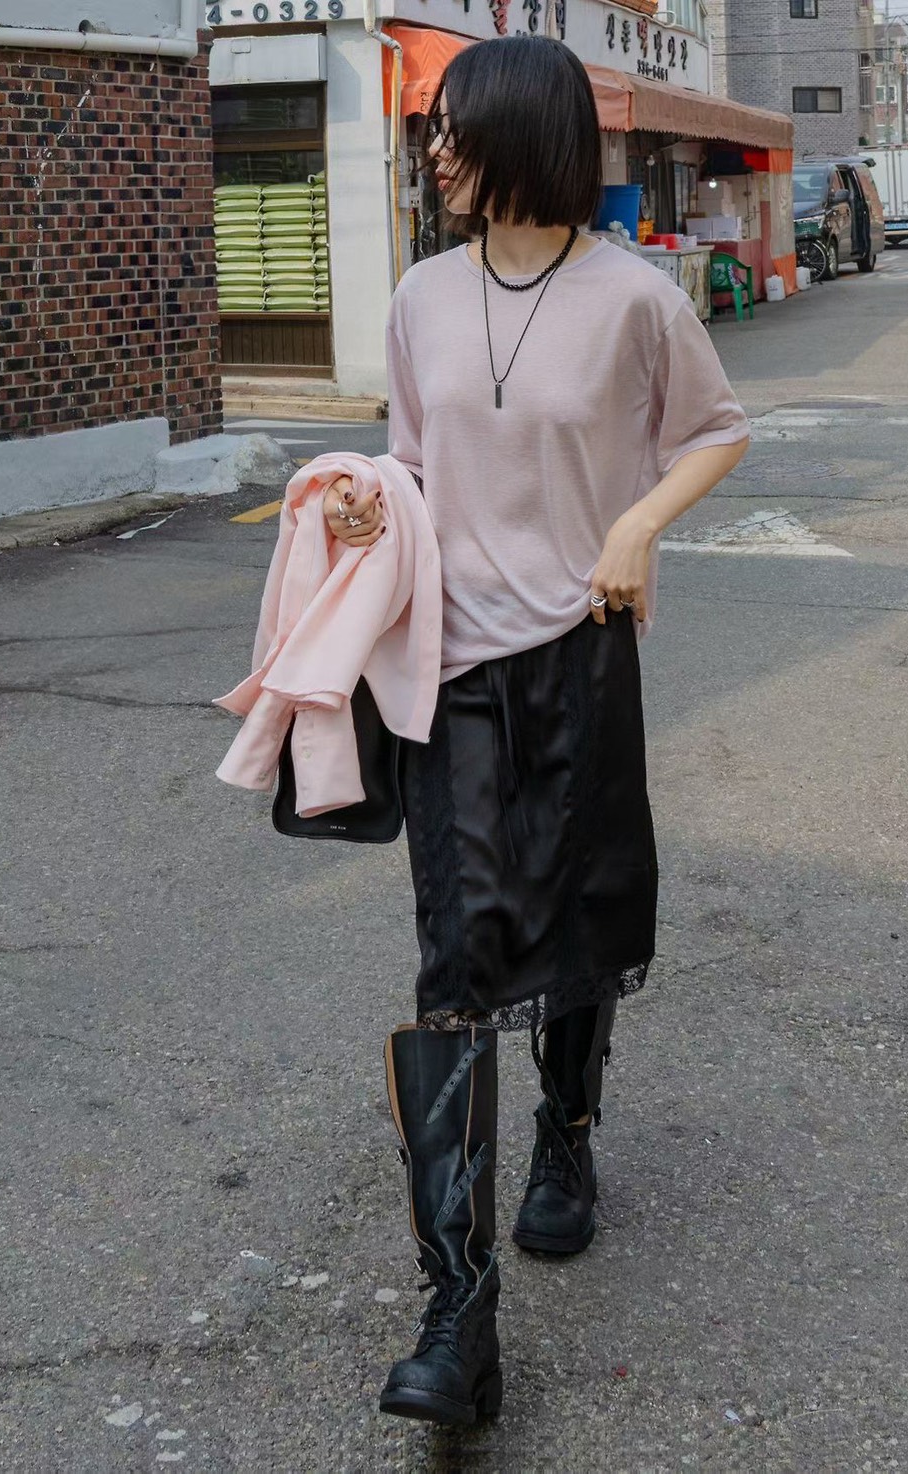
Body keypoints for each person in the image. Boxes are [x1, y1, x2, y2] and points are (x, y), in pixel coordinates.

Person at [325, 35, 750, 1426]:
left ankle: (566, 1133)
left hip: (580, 644)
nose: (437, 151)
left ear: (521, 136)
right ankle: (458, 1309)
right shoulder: (422, 296)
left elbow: (716, 431)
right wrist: (364, 501)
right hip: (447, 663)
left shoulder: (634, 298)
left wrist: (638, 522)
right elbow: (410, 458)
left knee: (575, 909)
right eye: (433, 132)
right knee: (456, 952)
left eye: (455, 130)